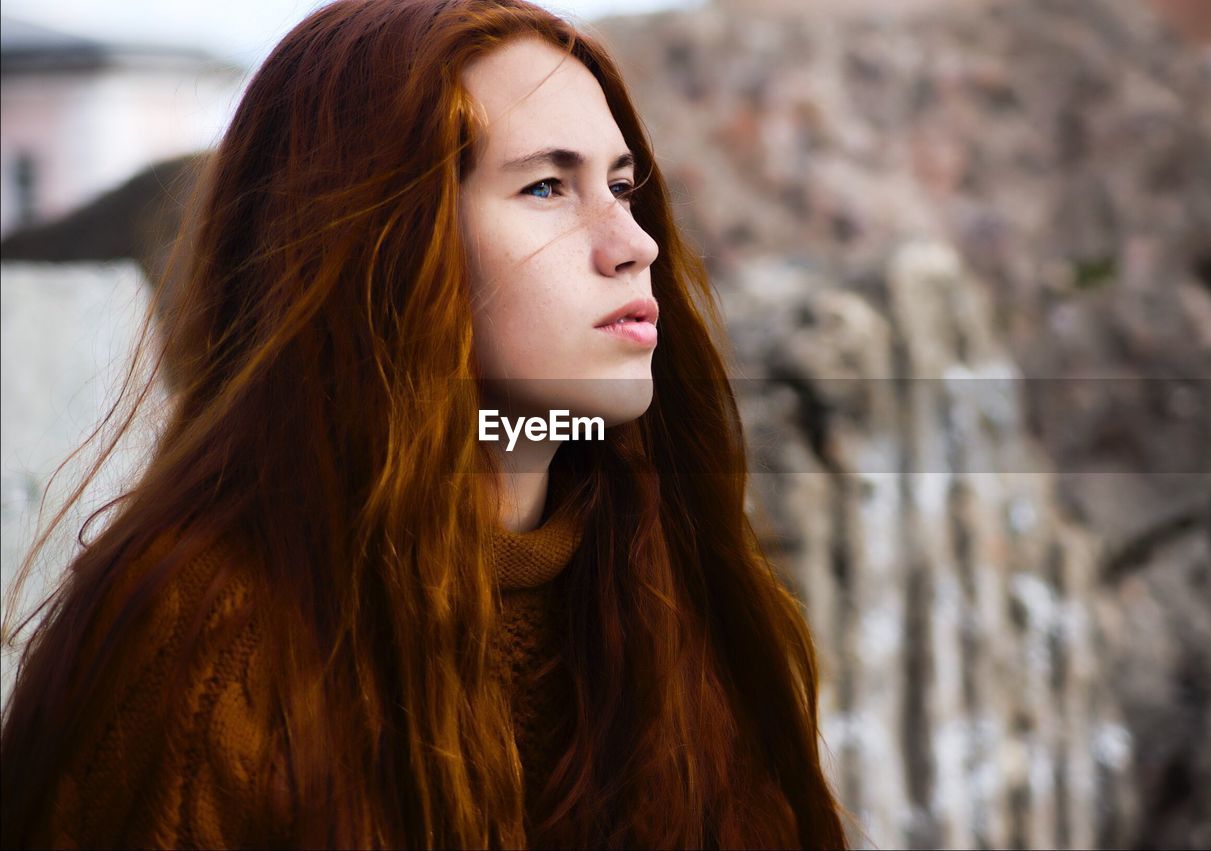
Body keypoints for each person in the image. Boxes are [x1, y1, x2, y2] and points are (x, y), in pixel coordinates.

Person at [0, 1, 852, 847]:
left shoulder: (663, 584)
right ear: (382, 247)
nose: (634, 242)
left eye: (623, 186)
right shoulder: (209, 653)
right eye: (547, 186)